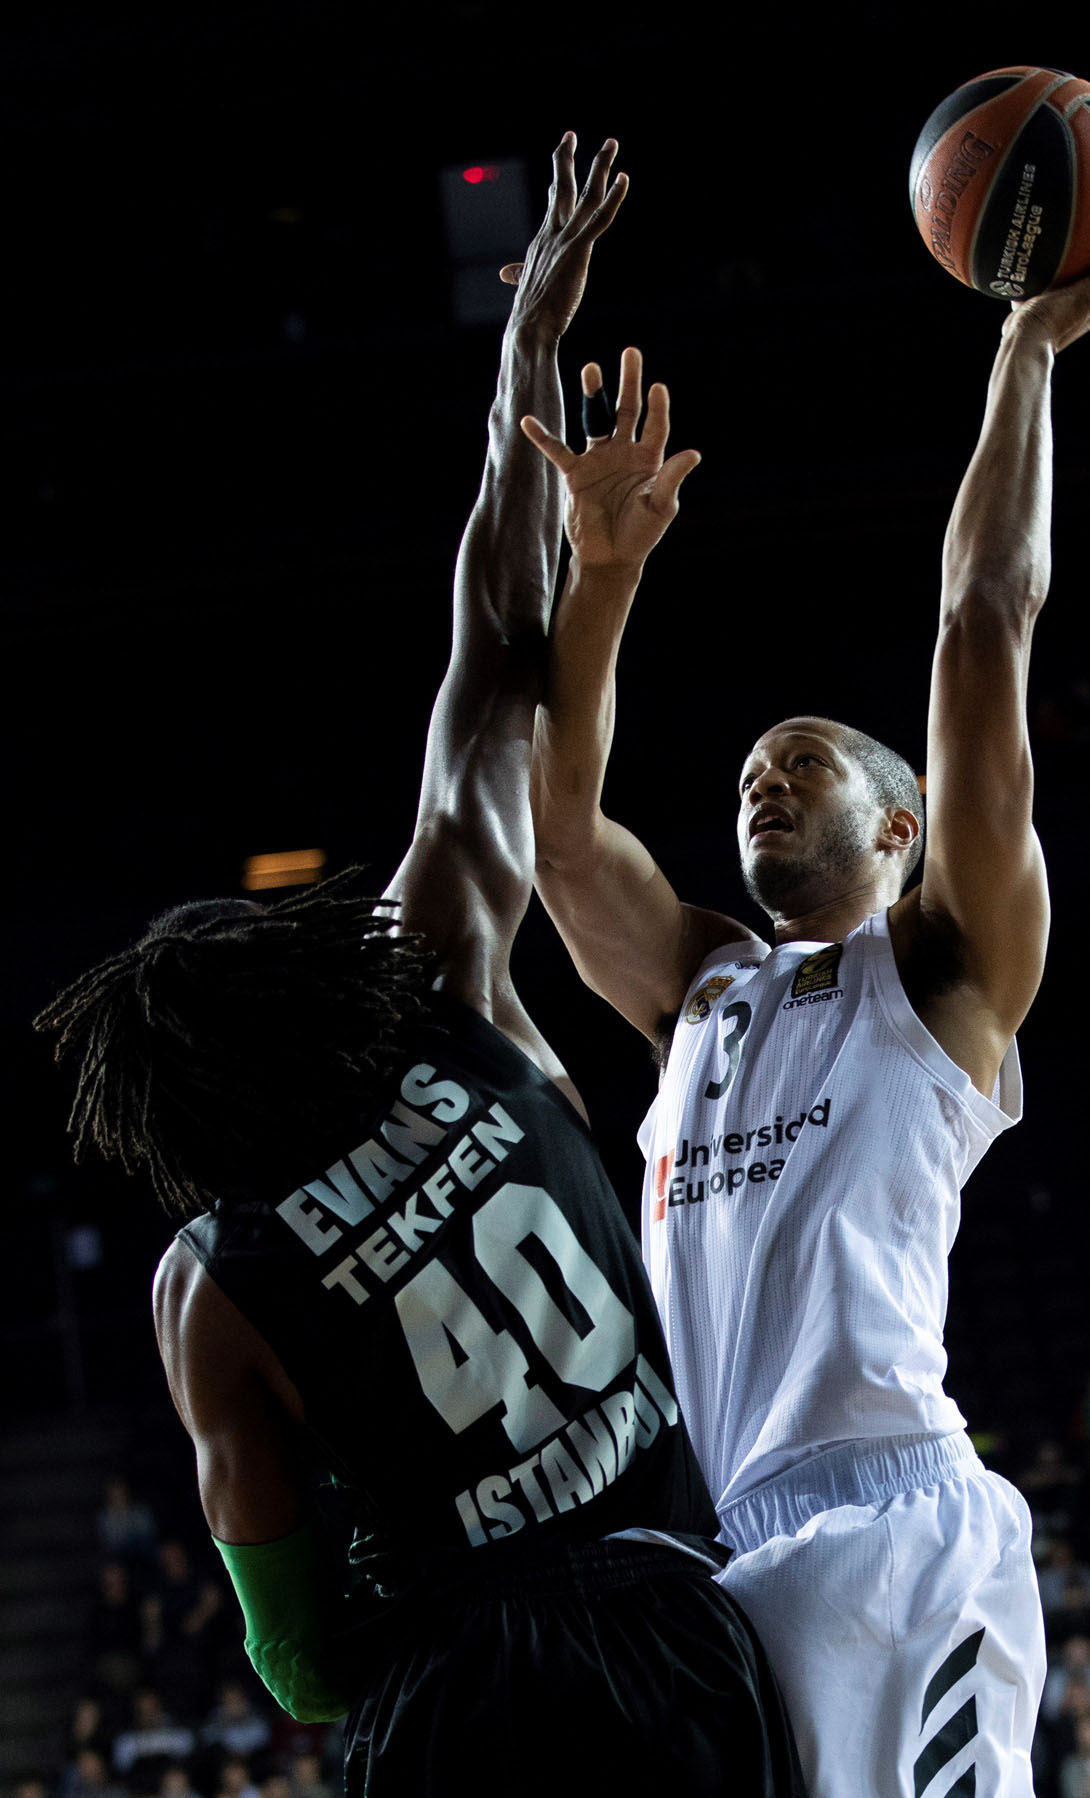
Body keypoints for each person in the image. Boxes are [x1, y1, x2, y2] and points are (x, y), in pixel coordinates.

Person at [36, 132, 802, 1798]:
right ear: (302, 968)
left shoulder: (207, 1282)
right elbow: (490, 653)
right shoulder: (435, 968)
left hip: (459, 1700)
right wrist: (526, 352)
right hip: (675, 1619)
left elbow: (303, 1663)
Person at [525, 188, 1090, 1792]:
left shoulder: (939, 968)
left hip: (893, 1529)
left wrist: (1024, 355)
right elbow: (551, 828)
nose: (760, 782)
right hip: (728, 1549)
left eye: (800, 762)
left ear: (897, 824)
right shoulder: (699, 990)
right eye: (743, 771)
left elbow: (980, 621)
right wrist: (598, 579)